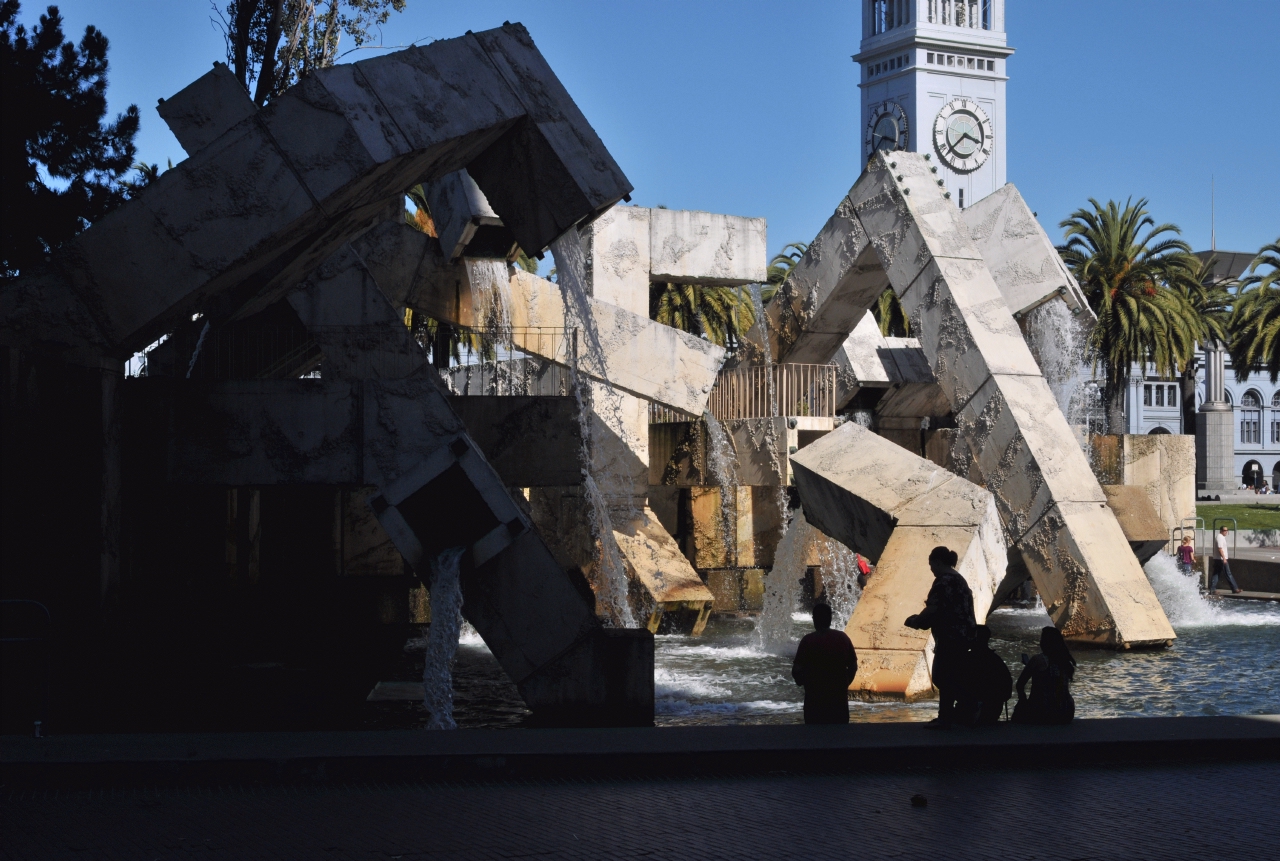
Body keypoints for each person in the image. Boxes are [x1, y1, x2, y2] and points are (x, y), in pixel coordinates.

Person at [904, 546, 977, 729]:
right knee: (951, 676)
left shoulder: (943, 582)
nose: (931, 569)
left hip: (949, 636)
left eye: (931, 565)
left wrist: (916, 621)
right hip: (964, 635)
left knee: (941, 676)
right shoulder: (959, 580)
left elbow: (934, 609)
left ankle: (957, 711)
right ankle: (954, 713)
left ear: (937, 562)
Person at [792, 602, 858, 724]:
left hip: (814, 698)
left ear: (814, 619)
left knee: (814, 736)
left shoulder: (808, 640)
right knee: (839, 735)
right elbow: (853, 667)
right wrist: (844, 684)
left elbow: (796, 670)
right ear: (830, 619)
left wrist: (802, 682)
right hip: (838, 699)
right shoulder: (843, 638)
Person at [1012, 627, 1077, 725]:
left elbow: (1020, 684)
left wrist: (1023, 701)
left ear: (1044, 642)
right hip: (1066, 712)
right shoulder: (1065, 662)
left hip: (1043, 712)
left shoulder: (1037, 660)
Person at [967, 625, 1013, 725]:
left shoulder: (968, 660)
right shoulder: (996, 660)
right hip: (993, 710)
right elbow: (1007, 687)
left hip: (972, 709)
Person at [1211, 525, 1243, 595]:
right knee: (1228, 573)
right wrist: (1224, 558)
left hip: (1218, 559)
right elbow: (1220, 548)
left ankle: (1212, 589)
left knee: (1216, 574)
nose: (1226, 532)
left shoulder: (1221, 537)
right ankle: (1235, 589)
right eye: (1224, 530)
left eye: (1227, 530)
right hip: (1221, 559)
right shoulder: (1220, 537)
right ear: (1221, 531)